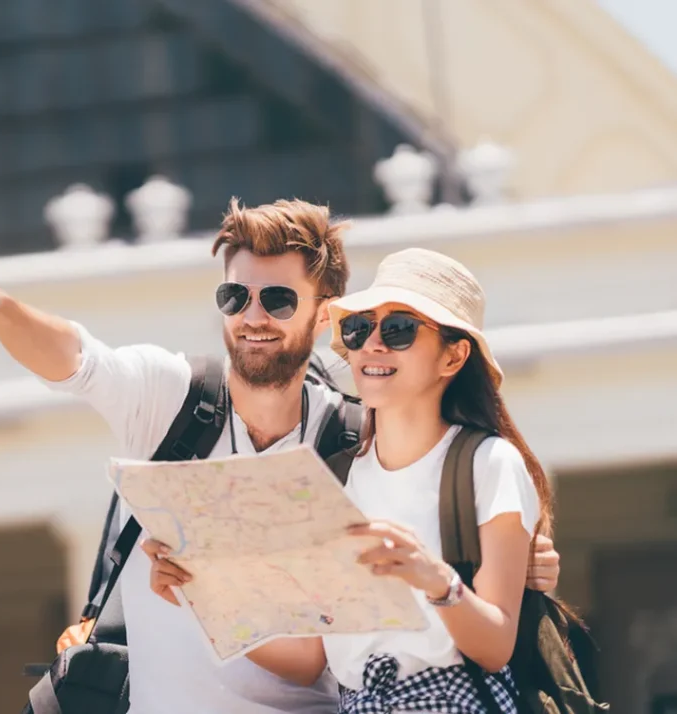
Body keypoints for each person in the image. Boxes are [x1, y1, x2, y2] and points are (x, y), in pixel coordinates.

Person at [0, 198, 561, 714]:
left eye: (278, 301)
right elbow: (78, 358)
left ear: (322, 317)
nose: (252, 317)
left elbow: (433, 540)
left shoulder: (352, 441)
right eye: (235, 298)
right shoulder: (169, 399)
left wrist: (509, 567)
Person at [150, 247, 553, 712]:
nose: (372, 346)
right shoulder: (336, 476)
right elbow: (309, 659)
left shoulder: (489, 463)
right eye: (359, 329)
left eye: (399, 330)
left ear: (453, 357)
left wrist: (438, 582)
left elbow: (495, 644)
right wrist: (197, 589)